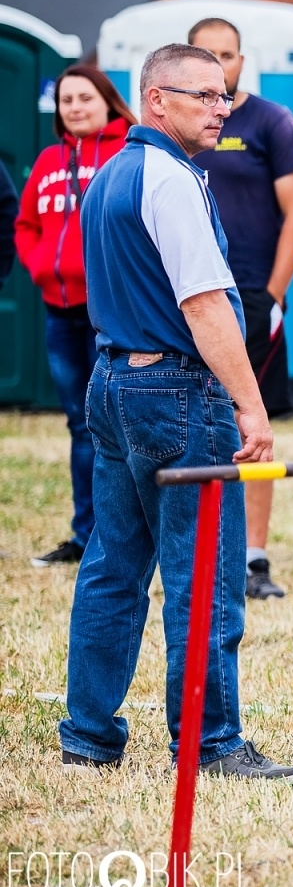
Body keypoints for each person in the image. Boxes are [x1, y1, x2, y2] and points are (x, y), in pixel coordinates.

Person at [61, 43, 293, 780]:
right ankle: (211, 742)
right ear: (156, 100)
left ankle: (88, 736)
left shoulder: (111, 174)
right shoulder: (171, 179)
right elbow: (205, 307)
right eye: (203, 95)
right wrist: (252, 407)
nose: (220, 109)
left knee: (112, 566)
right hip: (176, 391)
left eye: (224, 95)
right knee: (205, 579)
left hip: (114, 383)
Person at [189, 17, 293, 601]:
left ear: (242, 59)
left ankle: (253, 558)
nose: (221, 64)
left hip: (250, 302)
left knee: (252, 424)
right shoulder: (176, 129)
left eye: (229, 54)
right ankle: (193, 554)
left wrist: (272, 294)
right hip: (185, 302)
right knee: (188, 426)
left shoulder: (272, 121)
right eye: (208, 54)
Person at [15, 65, 134, 569]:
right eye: (66, 100)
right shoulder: (48, 160)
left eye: (85, 98)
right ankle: (86, 536)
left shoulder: (128, 153)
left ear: (108, 101)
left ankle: (121, 536)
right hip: (57, 313)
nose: (75, 108)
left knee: (115, 426)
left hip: (108, 315)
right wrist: (40, 266)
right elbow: (25, 224)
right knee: (79, 425)